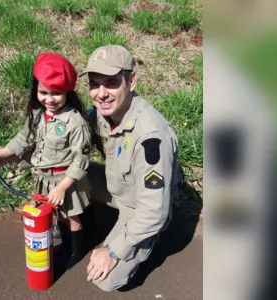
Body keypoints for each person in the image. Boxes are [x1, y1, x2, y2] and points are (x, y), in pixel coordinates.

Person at [0, 53, 93, 269]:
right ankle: (66, 246)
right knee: (60, 214)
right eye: (43, 92)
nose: (49, 99)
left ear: (67, 92)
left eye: (56, 93)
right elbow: (24, 139)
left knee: (73, 216)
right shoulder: (38, 114)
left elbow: (81, 159)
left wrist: (63, 188)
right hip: (46, 177)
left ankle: (77, 252)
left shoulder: (75, 122)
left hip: (67, 180)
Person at [80, 45, 182, 291]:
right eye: (94, 84)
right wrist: (11, 155)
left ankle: (149, 239)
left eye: (111, 83)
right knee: (64, 173)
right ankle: (88, 223)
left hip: (141, 207)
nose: (101, 94)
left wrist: (113, 251)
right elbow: (66, 136)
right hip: (117, 186)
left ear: (131, 81)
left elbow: (154, 209)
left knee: (105, 280)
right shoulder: (102, 114)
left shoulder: (151, 137)